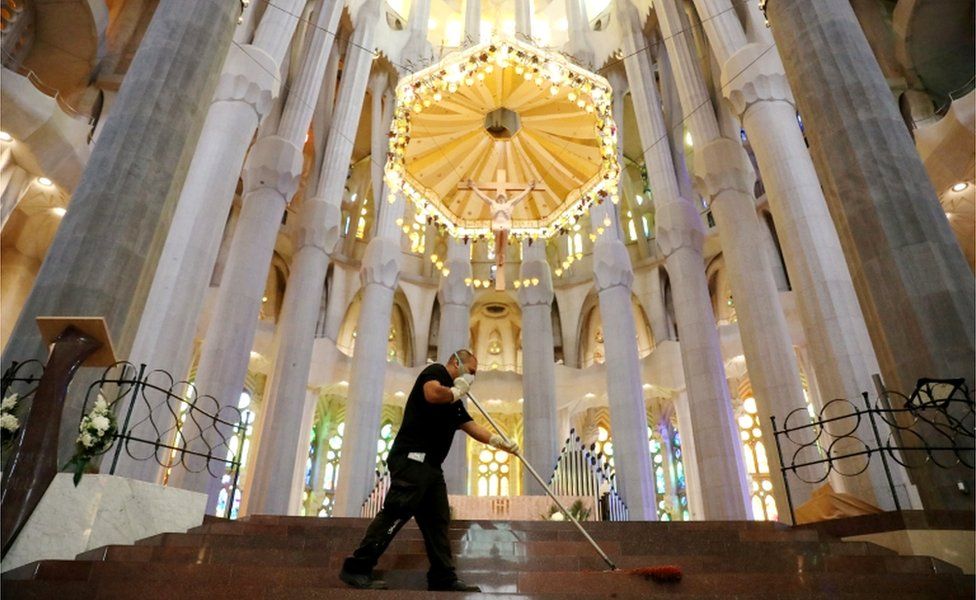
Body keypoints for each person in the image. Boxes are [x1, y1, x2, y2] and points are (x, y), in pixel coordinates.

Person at [339, 349, 519, 592]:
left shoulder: (455, 402)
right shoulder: (435, 372)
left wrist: (499, 442)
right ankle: (357, 568)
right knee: (396, 512)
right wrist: (457, 390)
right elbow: (432, 394)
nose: (473, 378)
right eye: (472, 372)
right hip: (412, 460)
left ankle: (442, 577)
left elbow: (471, 426)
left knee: (437, 521)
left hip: (431, 468)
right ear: (456, 362)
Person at [468, 179, 535, 289]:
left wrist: (528, 188)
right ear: (497, 198)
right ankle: (497, 255)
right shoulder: (493, 203)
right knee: (498, 238)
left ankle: (502, 256)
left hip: (505, 225)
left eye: (502, 197)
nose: (500, 199)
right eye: (499, 197)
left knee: (503, 239)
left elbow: (520, 197)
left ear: (505, 198)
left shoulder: (509, 204)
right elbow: (483, 197)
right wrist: (474, 187)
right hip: (496, 225)